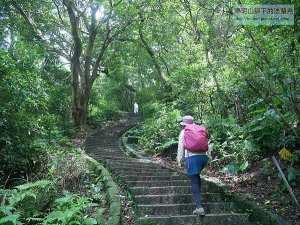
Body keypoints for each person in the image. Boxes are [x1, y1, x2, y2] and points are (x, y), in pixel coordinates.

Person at [177, 115, 209, 216]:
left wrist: (179, 160)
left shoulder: (184, 132)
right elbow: (206, 143)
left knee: (194, 180)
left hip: (192, 158)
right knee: (196, 177)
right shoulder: (200, 129)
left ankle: (199, 207)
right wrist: (209, 158)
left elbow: (180, 147)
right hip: (203, 158)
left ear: (184, 124)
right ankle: (198, 203)